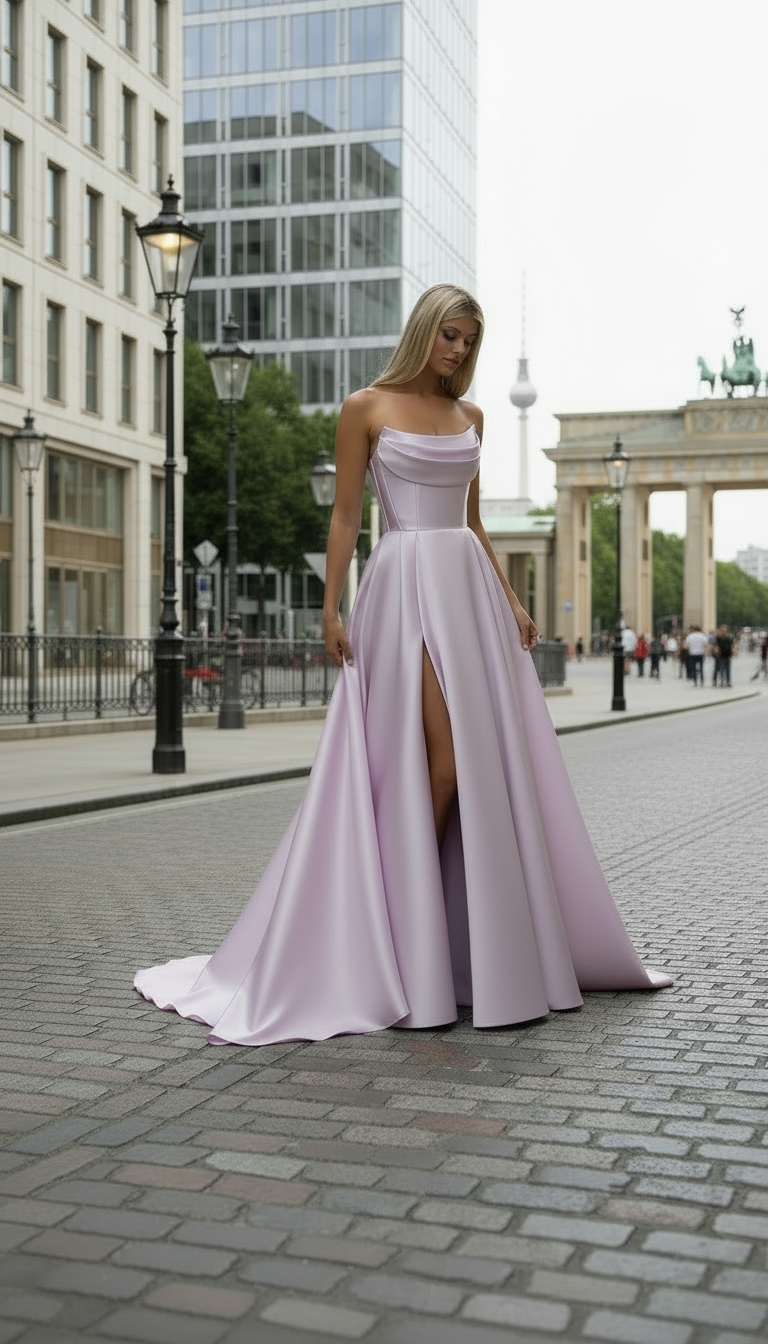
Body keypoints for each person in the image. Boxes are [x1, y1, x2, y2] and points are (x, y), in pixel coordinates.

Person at [134, 284, 670, 1047]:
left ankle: (411, 921)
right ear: (425, 331)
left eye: (468, 342)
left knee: (472, 768)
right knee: (444, 761)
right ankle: (383, 910)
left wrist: (513, 601)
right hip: (403, 590)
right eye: (449, 335)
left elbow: (476, 522)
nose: (457, 351)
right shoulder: (366, 408)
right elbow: (347, 512)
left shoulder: (472, 417)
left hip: (468, 594)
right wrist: (329, 606)